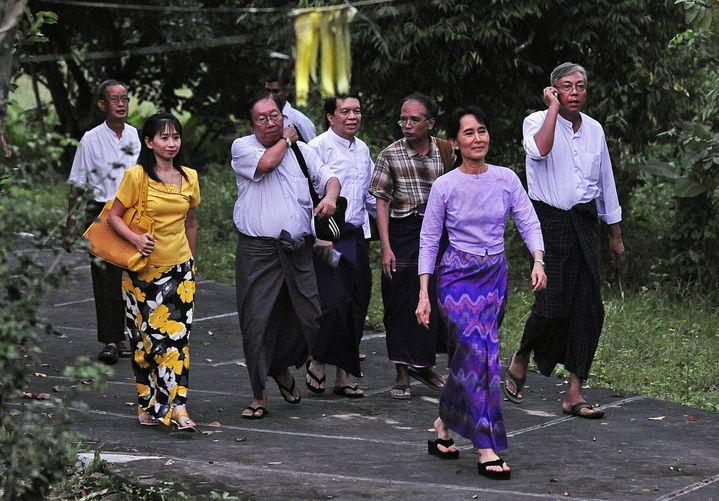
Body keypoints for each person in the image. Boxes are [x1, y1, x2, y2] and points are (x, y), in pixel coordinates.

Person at [416, 105, 546, 479]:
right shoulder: (445, 185)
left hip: (494, 278)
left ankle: (444, 423)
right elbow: (428, 241)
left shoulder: (505, 179)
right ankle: (486, 445)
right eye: (469, 133)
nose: (478, 138)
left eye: (482, 130)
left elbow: (527, 221)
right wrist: (424, 293)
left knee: (469, 360)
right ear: (455, 142)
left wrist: (539, 260)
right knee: (482, 358)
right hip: (456, 280)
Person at [503, 62, 625, 419]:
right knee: (552, 304)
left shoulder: (595, 131)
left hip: (584, 222)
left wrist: (615, 234)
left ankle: (574, 392)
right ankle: (521, 356)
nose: (575, 92)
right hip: (549, 222)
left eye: (580, 86)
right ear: (553, 90)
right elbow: (539, 151)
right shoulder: (535, 121)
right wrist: (552, 109)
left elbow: (606, 183)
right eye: (566, 87)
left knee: (589, 307)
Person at [231, 93, 341, 419]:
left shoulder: (302, 152)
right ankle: (259, 396)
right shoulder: (243, 147)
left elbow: (330, 178)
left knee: (310, 316)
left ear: (283, 115)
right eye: (262, 118)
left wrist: (331, 197)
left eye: (275, 115)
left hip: (298, 249)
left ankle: (280, 366)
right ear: (252, 124)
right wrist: (287, 139)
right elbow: (267, 164)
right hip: (258, 250)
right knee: (257, 320)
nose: (271, 122)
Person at [107, 112, 200, 431]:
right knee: (145, 340)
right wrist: (135, 238)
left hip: (180, 272)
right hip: (142, 274)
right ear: (149, 142)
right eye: (164, 137)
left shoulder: (189, 177)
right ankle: (148, 402)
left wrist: (192, 264)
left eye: (176, 137)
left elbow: (191, 221)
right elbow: (114, 217)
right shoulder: (137, 176)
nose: (171, 143)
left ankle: (178, 406)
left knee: (177, 340)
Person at [369, 92, 454, 400]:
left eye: (414, 119)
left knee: (434, 296)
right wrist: (386, 247)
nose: (406, 124)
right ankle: (402, 372)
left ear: (430, 123)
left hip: (437, 231)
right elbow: (381, 203)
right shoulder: (389, 155)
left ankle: (425, 364)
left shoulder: (445, 151)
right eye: (403, 119)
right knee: (400, 300)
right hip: (402, 230)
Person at [65, 79, 141, 365]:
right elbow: (76, 183)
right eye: (115, 99)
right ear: (102, 105)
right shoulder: (91, 139)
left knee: (133, 277)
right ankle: (111, 339)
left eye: (125, 98)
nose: (121, 104)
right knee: (106, 279)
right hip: (101, 211)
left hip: (133, 213)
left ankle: (132, 335)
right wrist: (71, 224)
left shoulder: (137, 137)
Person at [305, 95, 375, 398]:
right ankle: (318, 360)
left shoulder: (363, 149)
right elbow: (306, 194)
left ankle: (344, 376)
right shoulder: (316, 147)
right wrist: (314, 233)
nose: (352, 116)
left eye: (357, 111)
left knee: (356, 305)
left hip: (357, 236)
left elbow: (371, 197)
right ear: (330, 117)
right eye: (345, 111)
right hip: (327, 237)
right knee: (333, 303)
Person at [265, 72, 316, 142]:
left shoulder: (300, 121)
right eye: (268, 91)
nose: (270, 96)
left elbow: (312, 149)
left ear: (286, 92)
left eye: (275, 91)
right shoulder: (262, 119)